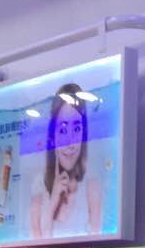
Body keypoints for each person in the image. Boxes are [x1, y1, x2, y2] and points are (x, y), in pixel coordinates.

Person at [30, 82, 102, 239]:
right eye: (62, 130)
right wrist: (52, 203)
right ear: (53, 135)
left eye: (76, 129)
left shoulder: (91, 187)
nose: (70, 143)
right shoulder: (39, 187)